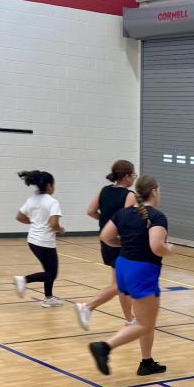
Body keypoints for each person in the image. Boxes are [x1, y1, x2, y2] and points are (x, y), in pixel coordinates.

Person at [88, 175, 170, 376]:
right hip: (142, 271)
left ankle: (147, 362)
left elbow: (105, 237)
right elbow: (156, 247)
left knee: (144, 319)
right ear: (153, 192)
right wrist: (169, 249)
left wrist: (124, 245)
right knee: (144, 324)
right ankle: (105, 347)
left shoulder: (123, 213)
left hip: (123, 266)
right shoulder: (157, 216)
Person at [74, 160, 137, 330]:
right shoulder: (129, 195)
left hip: (104, 239)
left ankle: (130, 319)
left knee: (119, 282)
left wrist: (105, 222)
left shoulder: (104, 190)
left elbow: (90, 211)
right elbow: (126, 219)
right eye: (133, 175)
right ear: (126, 176)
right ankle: (87, 307)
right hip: (120, 242)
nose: (134, 179)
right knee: (121, 285)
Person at [13, 171, 64, 307]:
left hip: (33, 241)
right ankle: (23, 280)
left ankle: (48, 298)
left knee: (49, 271)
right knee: (51, 274)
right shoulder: (53, 202)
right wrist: (61, 229)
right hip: (45, 242)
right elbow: (54, 224)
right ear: (49, 186)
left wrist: (35, 222)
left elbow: (19, 217)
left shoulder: (32, 200)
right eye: (54, 184)